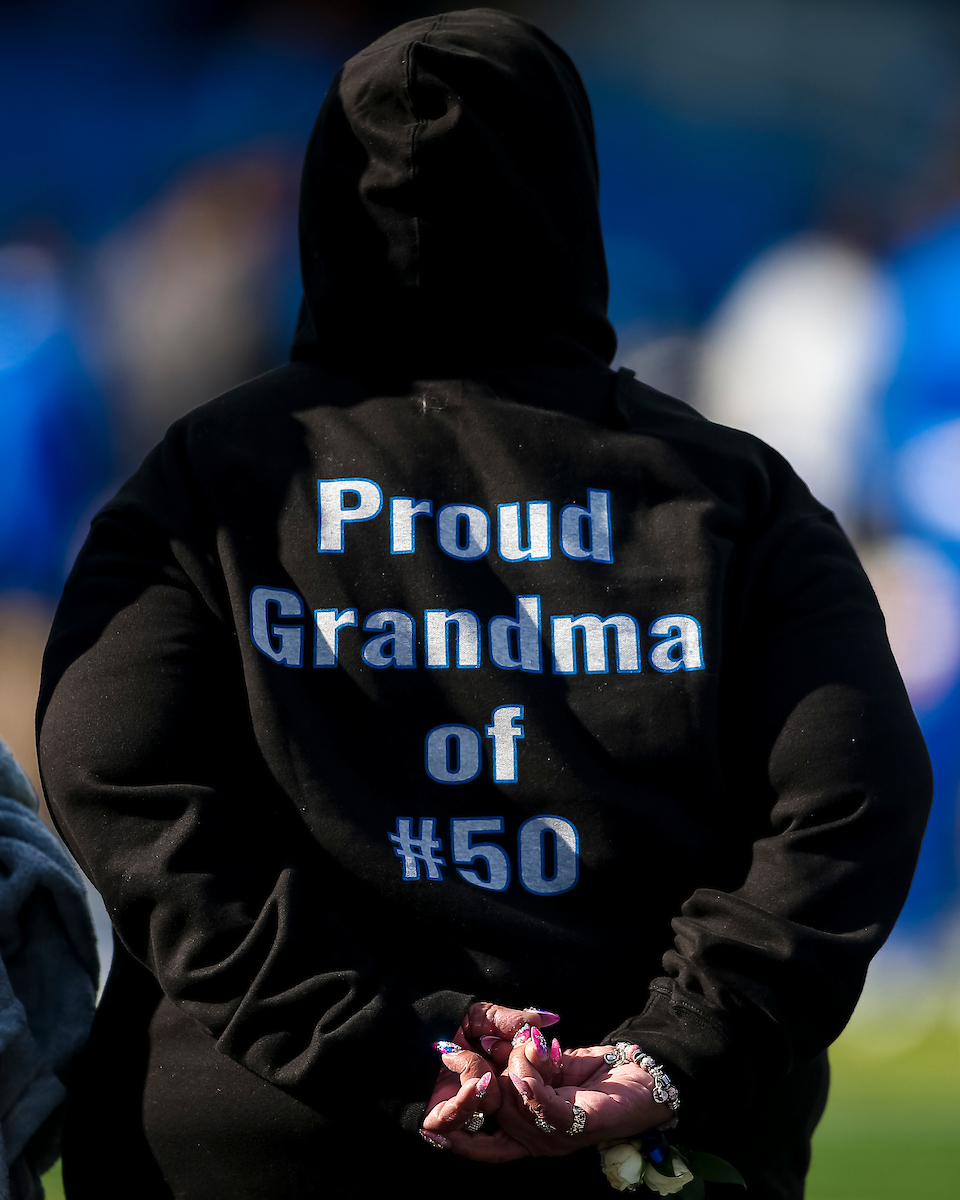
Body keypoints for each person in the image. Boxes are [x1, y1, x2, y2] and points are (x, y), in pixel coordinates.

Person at [37, 9, 931, 1199]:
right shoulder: (734, 495)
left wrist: (376, 1045)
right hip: (640, 1159)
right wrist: (665, 1057)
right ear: (569, 195)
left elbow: (117, 779)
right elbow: (851, 800)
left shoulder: (209, 479)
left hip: (266, 1134)